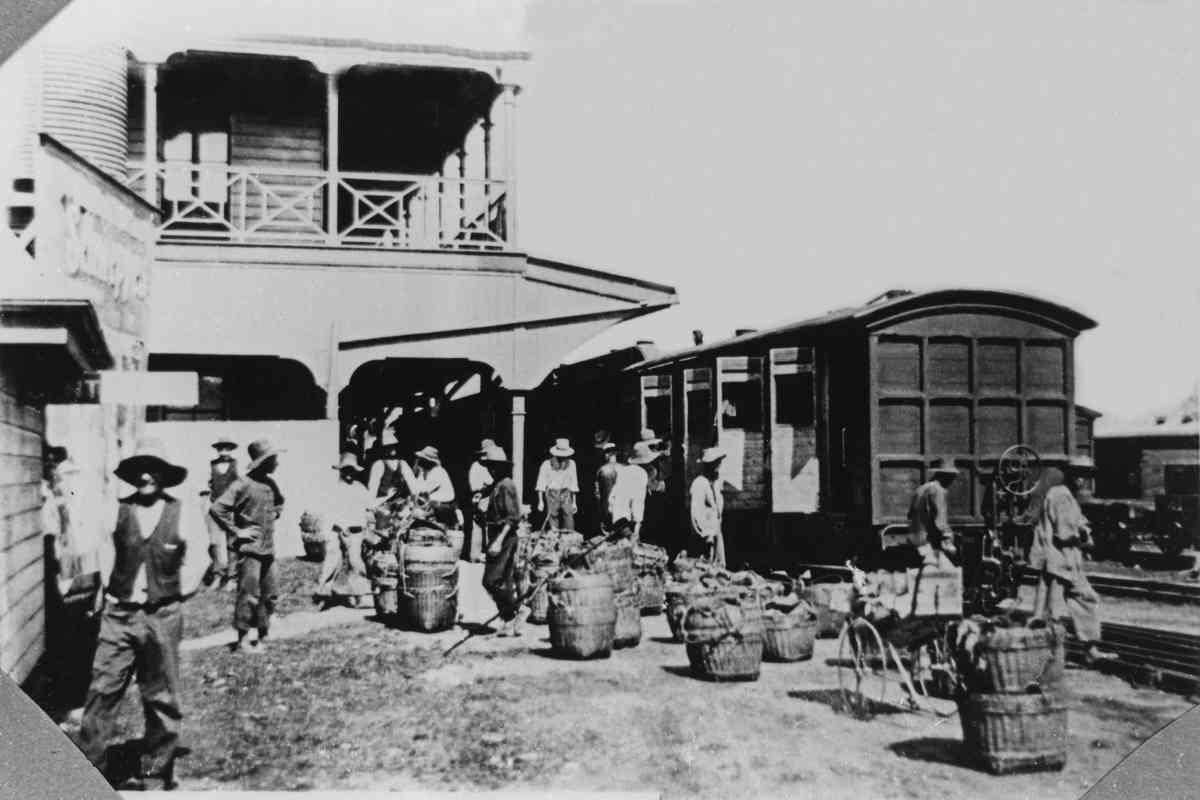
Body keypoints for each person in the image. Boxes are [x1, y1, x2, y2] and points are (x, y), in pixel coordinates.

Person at [78, 439, 211, 790]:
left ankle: (154, 772)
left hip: (161, 617)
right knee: (101, 691)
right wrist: (107, 591)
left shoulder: (182, 511)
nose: (147, 476)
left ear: (165, 476)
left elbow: (199, 557)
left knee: (161, 698)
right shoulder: (117, 509)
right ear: (133, 475)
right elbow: (105, 551)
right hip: (118, 616)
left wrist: (176, 590)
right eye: (141, 470)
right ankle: (88, 771)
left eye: (154, 469)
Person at [1029, 457, 1117, 664]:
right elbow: (1064, 533)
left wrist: (1082, 527)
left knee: (1085, 599)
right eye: (1078, 474)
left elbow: (1074, 522)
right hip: (1059, 560)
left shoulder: (1065, 494)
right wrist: (1084, 536)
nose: (1081, 480)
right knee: (1053, 611)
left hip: (1067, 560)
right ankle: (1046, 657)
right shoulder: (1062, 496)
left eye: (1084, 476)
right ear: (1070, 474)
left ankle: (1089, 650)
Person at [210, 438, 285, 654]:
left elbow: (280, 501)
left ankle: (262, 635)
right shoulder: (242, 484)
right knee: (248, 595)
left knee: (270, 593)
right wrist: (237, 531)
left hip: (268, 549)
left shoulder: (270, 484)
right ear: (264, 461)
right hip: (250, 550)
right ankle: (243, 639)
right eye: (274, 459)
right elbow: (218, 508)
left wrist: (276, 512)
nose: (277, 463)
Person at [480, 444, 527, 636]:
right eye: (489, 466)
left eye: (494, 466)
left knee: (491, 580)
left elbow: (512, 517)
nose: (491, 469)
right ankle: (509, 621)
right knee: (504, 580)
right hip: (496, 533)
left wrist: (498, 541)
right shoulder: (496, 485)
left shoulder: (506, 485)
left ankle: (516, 611)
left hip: (505, 536)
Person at [317, 453, 373, 603]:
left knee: (355, 561)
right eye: (346, 470)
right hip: (338, 529)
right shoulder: (334, 489)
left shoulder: (360, 488)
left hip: (356, 531)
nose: (349, 474)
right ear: (341, 471)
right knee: (333, 558)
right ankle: (323, 591)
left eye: (352, 471)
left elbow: (368, 508)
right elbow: (330, 511)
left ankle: (360, 595)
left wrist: (368, 524)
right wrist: (341, 526)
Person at [201, 435, 240, 590]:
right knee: (215, 543)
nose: (224, 451)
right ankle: (217, 575)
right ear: (217, 449)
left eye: (227, 448)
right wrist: (206, 505)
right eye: (221, 448)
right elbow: (206, 486)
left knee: (232, 543)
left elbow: (241, 486)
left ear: (231, 449)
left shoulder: (236, 465)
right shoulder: (211, 465)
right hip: (214, 507)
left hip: (231, 509)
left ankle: (232, 578)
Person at [907, 458, 960, 566]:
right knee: (946, 574)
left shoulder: (921, 488)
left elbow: (910, 514)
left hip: (915, 539)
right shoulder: (938, 490)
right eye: (953, 477)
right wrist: (948, 541)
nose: (953, 480)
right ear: (946, 476)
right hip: (927, 543)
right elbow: (940, 522)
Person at [609, 441, 659, 541]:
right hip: (627, 524)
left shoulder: (625, 471)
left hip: (621, 520)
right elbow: (637, 505)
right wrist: (634, 532)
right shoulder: (640, 474)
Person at [688, 447, 727, 566]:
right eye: (715, 463)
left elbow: (716, 509)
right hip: (705, 536)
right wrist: (705, 534)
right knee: (705, 568)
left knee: (719, 570)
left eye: (719, 463)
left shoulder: (715, 484)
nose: (718, 466)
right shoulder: (699, 484)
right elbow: (696, 512)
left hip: (716, 532)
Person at [406, 445, 458, 528]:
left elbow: (423, 490)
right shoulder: (423, 472)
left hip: (443, 509)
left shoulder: (438, 471)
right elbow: (415, 489)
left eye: (421, 459)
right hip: (430, 507)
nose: (419, 461)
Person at [535, 438, 579, 532]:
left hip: (566, 493)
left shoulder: (571, 464)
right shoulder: (546, 464)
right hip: (552, 493)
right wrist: (540, 501)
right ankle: (554, 539)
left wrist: (574, 502)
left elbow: (574, 483)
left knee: (568, 517)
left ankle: (570, 540)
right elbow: (541, 482)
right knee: (552, 518)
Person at [466, 439, 497, 561]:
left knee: (482, 527)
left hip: (483, 498)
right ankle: (478, 554)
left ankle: (480, 553)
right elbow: (476, 486)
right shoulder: (477, 466)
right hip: (480, 499)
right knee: (483, 526)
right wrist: (486, 487)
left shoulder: (484, 467)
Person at [594, 441, 620, 531]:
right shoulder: (624, 468)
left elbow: (597, 493)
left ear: (607, 454)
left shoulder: (601, 470)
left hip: (606, 507)